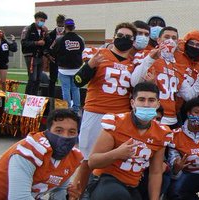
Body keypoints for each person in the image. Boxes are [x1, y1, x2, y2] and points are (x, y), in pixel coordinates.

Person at [71, 22, 138, 197]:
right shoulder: (98, 54)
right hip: (96, 113)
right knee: (87, 159)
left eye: (128, 37)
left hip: (119, 117)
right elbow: (77, 81)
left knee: (111, 160)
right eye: (120, 35)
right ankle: (75, 194)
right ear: (114, 36)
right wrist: (90, 65)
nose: (123, 39)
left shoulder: (134, 64)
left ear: (134, 41)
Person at [0, 109, 83, 200]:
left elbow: (59, 192)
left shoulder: (72, 157)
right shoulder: (30, 150)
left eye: (71, 132)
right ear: (47, 131)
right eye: (59, 130)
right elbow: (19, 198)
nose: (65, 136)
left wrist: (69, 196)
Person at [88, 82, 171, 200]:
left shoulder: (162, 133)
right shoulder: (116, 123)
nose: (146, 104)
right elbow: (92, 162)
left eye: (151, 100)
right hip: (105, 180)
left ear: (158, 104)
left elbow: (155, 172)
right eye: (141, 99)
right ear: (133, 103)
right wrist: (116, 154)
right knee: (118, 195)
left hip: (132, 185)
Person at [130, 27, 199, 129]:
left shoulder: (178, 65)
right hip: (150, 116)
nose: (170, 40)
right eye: (166, 37)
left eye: (174, 38)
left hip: (172, 118)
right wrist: (150, 60)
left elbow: (189, 96)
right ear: (158, 40)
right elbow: (134, 82)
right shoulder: (146, 54)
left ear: (178, 42)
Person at [50, 19, 84, 114]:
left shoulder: (60, 39)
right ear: (74, 27)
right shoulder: (80, 39)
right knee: (75, 89)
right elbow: (82, 51)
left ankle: (66, 109)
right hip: (76, 68)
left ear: (65, 28)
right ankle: (76, 109)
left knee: (65, 89)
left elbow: (52, 51)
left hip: (63, 69)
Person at [21, 11, 49, 95]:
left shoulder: (43, 30)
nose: (42, 22)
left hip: (40, 56)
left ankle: (35, 96)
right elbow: (24, 43)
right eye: (41, 20)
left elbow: (47, 43)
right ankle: (28, 96)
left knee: (38, 78)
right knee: (32, 78)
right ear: (36, 19)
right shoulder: (28, 29)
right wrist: (36, 43)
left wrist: (47, 34)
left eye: (44, 21)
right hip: (31, 56)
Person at [45, 14, 66, 99]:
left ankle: (65, 99)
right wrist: (48, 56)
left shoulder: (68, 34)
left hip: (64, 60)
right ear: (56, 23)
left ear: (64, 23)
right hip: (54, 60)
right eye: (59, 23)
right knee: (52, 80)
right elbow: (46, 47)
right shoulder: (51, 34)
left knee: (65, 81)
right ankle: (51, 98)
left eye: (62, 23)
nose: (60, 25)